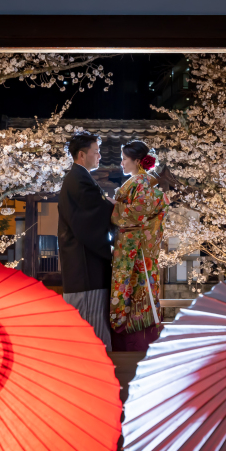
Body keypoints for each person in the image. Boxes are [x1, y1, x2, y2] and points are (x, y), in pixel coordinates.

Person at [58, 131, 116, 350]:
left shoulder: (79, 178)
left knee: (85, 332)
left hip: (83, 269)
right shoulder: (79, 180)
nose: (99, 156)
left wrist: (106, 204)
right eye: (96, 152)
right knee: (92, 333)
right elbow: (91, 217)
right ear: (82, 155)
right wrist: (113, 207)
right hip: (85, 270)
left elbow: (95, 209)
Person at [109, 141, 169, 351]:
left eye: (124, 159)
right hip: (139, 250)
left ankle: (134, 343)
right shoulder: (141, 183)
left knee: (134, 293)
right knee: (140, 293)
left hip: (134, 253)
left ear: (136, 161)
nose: (122, 163)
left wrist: (114, 206)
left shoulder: (141, 183)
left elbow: (136, 214)